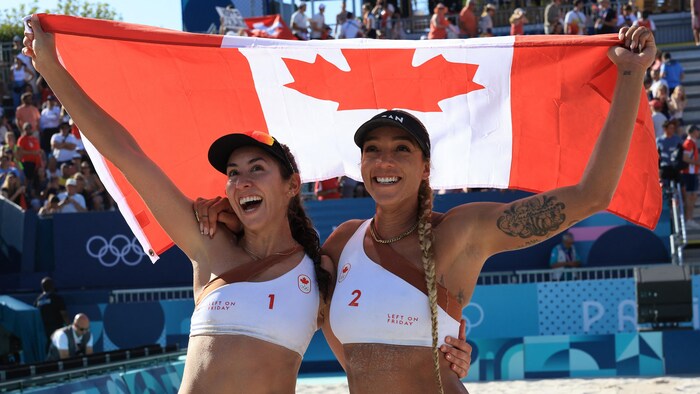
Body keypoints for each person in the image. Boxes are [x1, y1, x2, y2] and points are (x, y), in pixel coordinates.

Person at [198, 26, 657, 393]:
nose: (385, 160)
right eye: (373, 149)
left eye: (402, 149)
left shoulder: (460, 232)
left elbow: (592, 194)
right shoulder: (342, 243)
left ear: (425, 168)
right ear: (360, 165)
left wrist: (632, 76)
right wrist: (233, 215)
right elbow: (293, 299)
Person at [24, 17, 472, 390]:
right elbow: (127, 153)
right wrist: (52, 72)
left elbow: (372, 339)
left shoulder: (319, 273)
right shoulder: (208, 245)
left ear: (292, 185)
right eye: (233, 173)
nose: (240, 181)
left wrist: (452, 346)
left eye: (257, 168)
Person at [33, 277, 69, 342]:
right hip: (56, 330)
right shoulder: (57, 298)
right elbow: (64, 314)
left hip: (42, 331)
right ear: (52, 286)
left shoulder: (37, 301)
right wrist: (69, 327)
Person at [681, 125, 700, 229]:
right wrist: (697, 163)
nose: (699, 133)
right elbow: (685, 158)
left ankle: (690, 219)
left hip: (692, 173)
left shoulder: (692, 142)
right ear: (693, 132)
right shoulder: (688, 143)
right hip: (688, 173)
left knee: (693, 196)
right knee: (690, 197)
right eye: (697, 131)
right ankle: (688, 219)